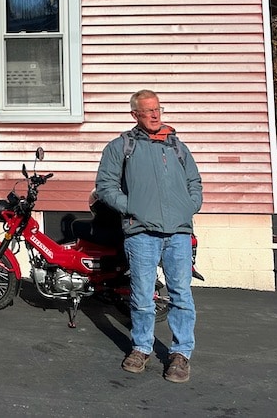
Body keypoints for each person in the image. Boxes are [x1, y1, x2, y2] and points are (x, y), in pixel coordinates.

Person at [94, 89, 203, 383]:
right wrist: (131, 209)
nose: (155, 115)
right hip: (141, 233)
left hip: (178, 233)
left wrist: (189, 207)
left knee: (181, 294)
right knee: (142, 295)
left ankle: (181, 354)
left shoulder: (178, 147)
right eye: (148, 111)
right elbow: (105, 186)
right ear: (135, 115)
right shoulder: (121, 147)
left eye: (158, 109)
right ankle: (141, 347)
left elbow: (194, 182)